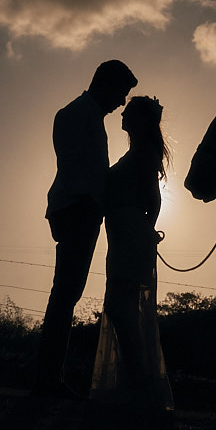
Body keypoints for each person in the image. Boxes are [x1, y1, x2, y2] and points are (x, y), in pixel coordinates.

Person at [34, 60, 137, 399]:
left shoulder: (84, 116)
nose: (122, 102)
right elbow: (83, 170)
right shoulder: (78, 115)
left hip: (78, 208)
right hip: (77, 208)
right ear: (105, 84)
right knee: (66, 292)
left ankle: (48, 374)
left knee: (66, 292)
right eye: (121, 93)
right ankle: (46, 376)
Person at [89, 95, 175, 412]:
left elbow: (153, 200)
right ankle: (134, 383)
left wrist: (142, 231)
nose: (122, 115)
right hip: (122, 232)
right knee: (120, 306)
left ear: (140, 120)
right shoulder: (137, 152)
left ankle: (138, 384)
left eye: (129, 113)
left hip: (129, 233)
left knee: (118, 304)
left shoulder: (143, 153)